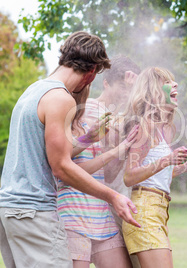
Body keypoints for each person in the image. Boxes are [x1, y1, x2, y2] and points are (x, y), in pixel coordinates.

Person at [0, 31, 139, 268]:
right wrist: (113, 196)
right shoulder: (61, 98)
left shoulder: (33, 91)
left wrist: (87, 138)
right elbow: (61, 167)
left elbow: (48, 152)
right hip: (35, 211)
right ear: (92, 72)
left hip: (10, 211)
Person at [121, 67, 187, 268]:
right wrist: (168, 159)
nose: (175, 84)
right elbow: (129, 177)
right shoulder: (145, 125)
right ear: (153, 91)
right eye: (167, 82)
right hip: (145, 211)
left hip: (157, 210)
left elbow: (154, 176)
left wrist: (182, 167)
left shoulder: (157, 128)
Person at [57, 87, 139, 266]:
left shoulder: (89, 128)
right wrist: (114, 151)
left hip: (102, 216)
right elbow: (67, 173)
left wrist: (120, 145)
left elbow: (106, 175)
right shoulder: (62, 129)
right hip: (73, 215)